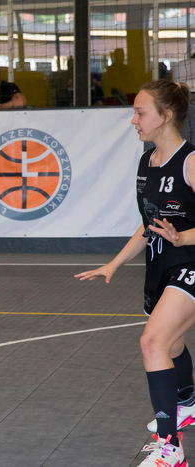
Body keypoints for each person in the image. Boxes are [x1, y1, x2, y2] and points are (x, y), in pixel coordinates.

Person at [75, 80, 195, 467]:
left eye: (140, 112)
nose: (134, 120)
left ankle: (170, 447)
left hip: (191, 262)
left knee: (153, 342)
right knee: (171, 345)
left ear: (166, 116)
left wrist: (183, 237)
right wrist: (114, 263)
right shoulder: (147, 163)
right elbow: (149, 224)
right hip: (162, 264)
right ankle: (188, 403)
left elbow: (178, 232)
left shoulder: (190, 162)